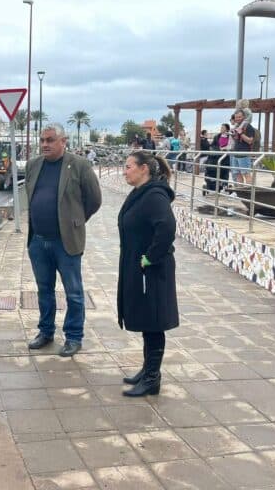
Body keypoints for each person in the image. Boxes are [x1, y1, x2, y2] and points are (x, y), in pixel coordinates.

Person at [25, 123, 102, 357]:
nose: (45, 144)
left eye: (50, 140)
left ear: (63, 141)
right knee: (44, 290)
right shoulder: (33, 165)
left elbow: (94, 200)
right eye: (42, 140)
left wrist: (75, 221)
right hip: (38, 241)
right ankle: (46, 332)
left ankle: (74, 337)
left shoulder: (79, 165)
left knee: (74, 293)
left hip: (65, 242)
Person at [118, 150, 178, 396]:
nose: (124, 171)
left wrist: (150, 258)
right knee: (146, 319)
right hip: (139, 266)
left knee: (153, 321)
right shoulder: (140, 193)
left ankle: (153, 378)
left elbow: (167, 228)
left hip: (152, 270)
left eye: (128, 166)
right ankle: (147, 370)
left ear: (144, 169)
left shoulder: (154, 196)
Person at [230, 108, 256, 184]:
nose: (238, 119)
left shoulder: (248, 126)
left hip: (244, 154)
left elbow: (250, 141)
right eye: (236, 117)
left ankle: (249, 190)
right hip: (236, 154)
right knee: (237, 174)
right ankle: (240, 190)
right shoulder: (237, 126)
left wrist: (241, 133)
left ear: (244, 117)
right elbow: (236, 140)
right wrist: (233, 135)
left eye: (239, 117)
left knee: (246, 174)